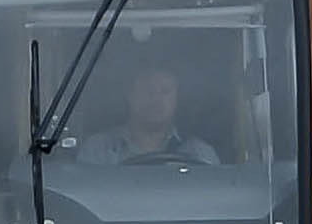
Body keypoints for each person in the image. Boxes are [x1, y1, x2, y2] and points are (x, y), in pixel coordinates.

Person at [77, 66, 219, 165]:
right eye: (147, 90)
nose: (156, 99)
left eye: (165, 91)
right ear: (130, 96)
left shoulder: (201, 155)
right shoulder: (97, 152)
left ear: (176, 99)